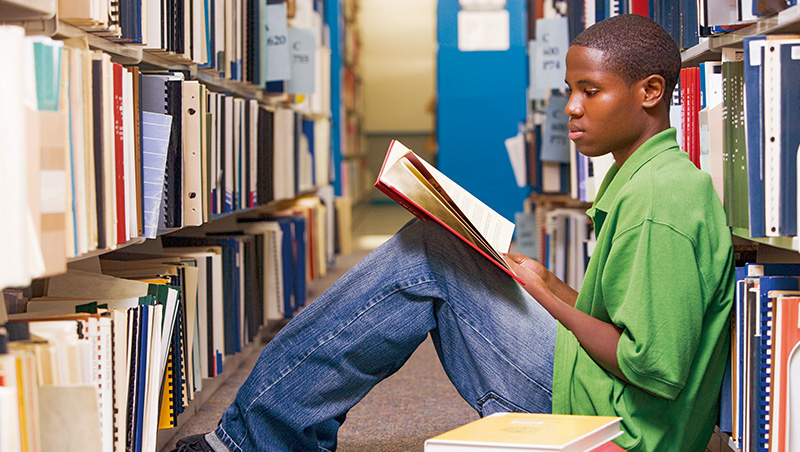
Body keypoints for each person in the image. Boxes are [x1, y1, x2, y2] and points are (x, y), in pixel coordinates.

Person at [171, 13, 734, 452]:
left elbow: (653, 369)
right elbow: (627, 323)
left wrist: (544, 298)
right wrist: (549, 283)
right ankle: (261, 433)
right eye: (569, 90)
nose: (571, 108)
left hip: (615, 428)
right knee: (441, 244)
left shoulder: (661, 200)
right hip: (602, 395)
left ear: (651, 92)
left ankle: (252, 440)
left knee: (428, 253)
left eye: (591, 91)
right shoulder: (650, 178)